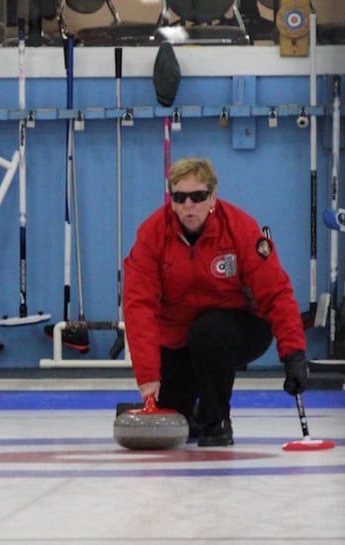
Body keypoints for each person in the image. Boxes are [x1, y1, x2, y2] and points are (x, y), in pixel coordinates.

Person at [122, 157, 308, 447]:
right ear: (170, 199)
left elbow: (276, 292)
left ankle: (216, 419)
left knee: (209, 331)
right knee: (174, 415)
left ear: (213, 197)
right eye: (180, 198)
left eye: (198, 196)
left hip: (238, 327)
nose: (189, 206)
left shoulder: (240, 228)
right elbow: (138, 306)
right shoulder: (151, 235)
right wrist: (147, 376)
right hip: (177, 337)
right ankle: (193, 414)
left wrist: (293, 354)